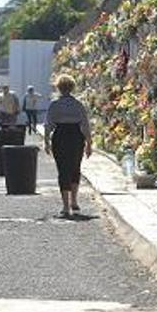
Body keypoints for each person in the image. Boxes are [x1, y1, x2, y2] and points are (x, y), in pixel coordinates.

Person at [45, 74, 92, 217]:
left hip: (60, 135)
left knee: (63, 168)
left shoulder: (54, 104)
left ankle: (65, 206)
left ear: (58, 88)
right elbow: (85, 124)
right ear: (72, 87)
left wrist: (46, 141)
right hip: (75, 136)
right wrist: (89, 143)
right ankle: (74, 201)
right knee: (75, 167)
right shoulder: (78, 104)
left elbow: (48, 125)